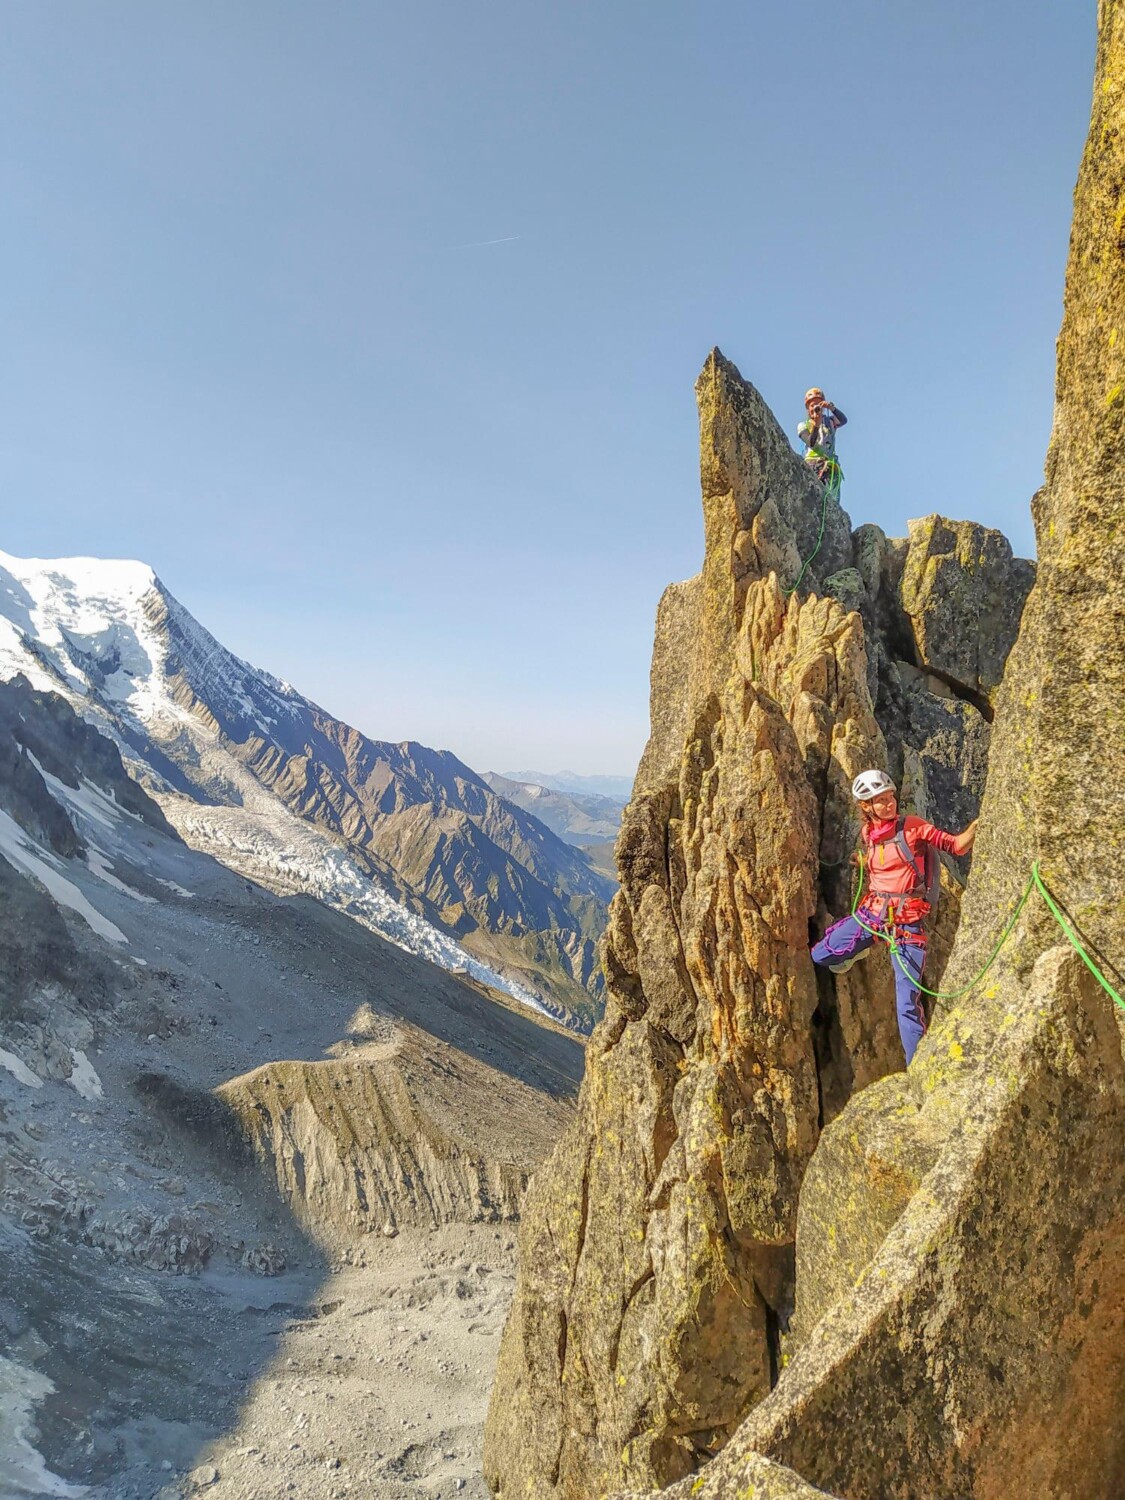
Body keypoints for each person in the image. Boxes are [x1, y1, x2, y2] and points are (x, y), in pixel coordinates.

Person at [810, 769, 978, 1064]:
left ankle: (918, 1068)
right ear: (867, 807)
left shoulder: (914, 826)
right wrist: (862, 860)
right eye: (881, 801)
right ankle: (859, 948)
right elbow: (886, 860)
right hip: (871, 917)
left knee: (907, 1006)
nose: (889, 804)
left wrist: (980, 824)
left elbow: (956, 846)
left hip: (906, 927)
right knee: (821, 955)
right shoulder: (868, 835)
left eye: (890, 798)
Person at [798, 388, 847, 487]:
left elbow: (843, 420)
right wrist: (816, 425)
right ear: (808, 408)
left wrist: (831, 408)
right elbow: (811, 442)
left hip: (828, 464)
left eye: (818, 404)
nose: (815, 407)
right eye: (812, 405)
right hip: (812, 464)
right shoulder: (803, 425)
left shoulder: (830, 422)